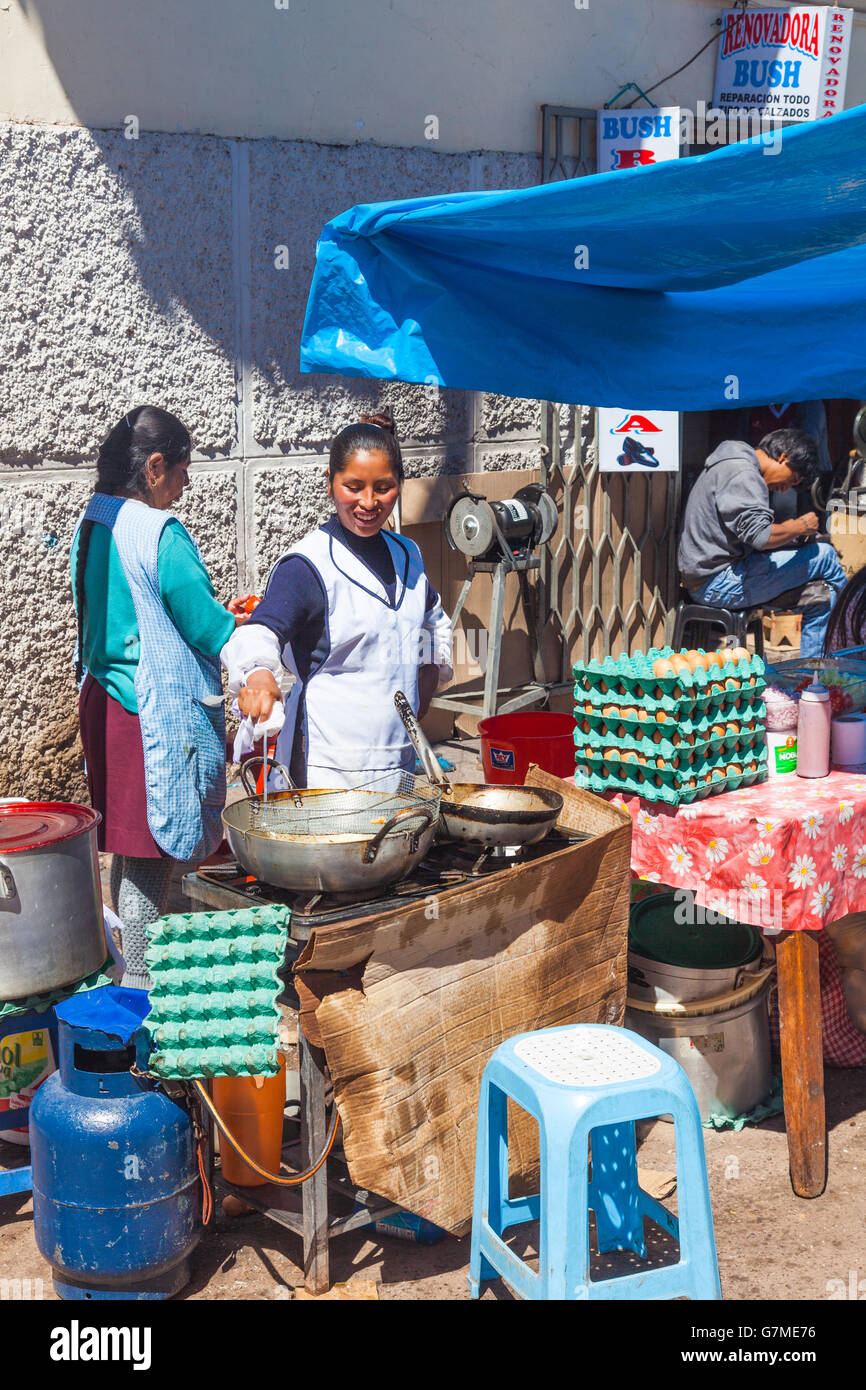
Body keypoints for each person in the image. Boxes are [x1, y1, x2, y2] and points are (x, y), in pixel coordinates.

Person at [72, 406, 246, 988]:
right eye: (181, 469)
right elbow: (204, 623)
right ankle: (144, 987)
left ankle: (135, 971)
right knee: (153, 852)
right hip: (147, 713)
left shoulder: (94, 520)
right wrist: (248, 643)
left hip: (107, 699)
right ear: (153, 467)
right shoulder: (158, 532)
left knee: (130, 848)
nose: (186, 483)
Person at [222, 412, 453, 789]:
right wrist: (259, 675)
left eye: (383, 487)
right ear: (330, 484)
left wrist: (424, 687)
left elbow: (434, 621)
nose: (368, 501)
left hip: (398, 760)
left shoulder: (407, 556)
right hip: (326, 769)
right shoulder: (308, 565)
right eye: (353, 486)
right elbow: (259, 631)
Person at [677, 428, 847, 659]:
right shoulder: (744, 473)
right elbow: (761, 537)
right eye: (792, 480)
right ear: (784, 457)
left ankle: (814, 670)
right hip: (718, 583)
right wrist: (799, 526)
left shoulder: (734, 462)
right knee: (825, 555)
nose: (785, 489)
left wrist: (792, 536)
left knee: (822, 595)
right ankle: (849, 640)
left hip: (713, 576)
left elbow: (751, 534)